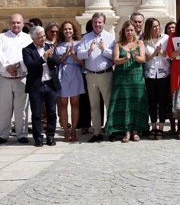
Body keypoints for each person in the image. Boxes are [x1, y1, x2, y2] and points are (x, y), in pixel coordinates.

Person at [105, 21, 148, 143]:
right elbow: (115, 60)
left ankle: (135, 131)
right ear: (123, 31)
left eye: (131, 30)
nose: (129, 32)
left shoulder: (140, 43)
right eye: (127, 30)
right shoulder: (118, 44)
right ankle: (126, 131)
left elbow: (143, 59)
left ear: (135, 31)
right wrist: (125, 58)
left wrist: (136, 57)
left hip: (136, 77)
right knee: (125, 104)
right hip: (122, 78)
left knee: (136, 103)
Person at [0, 14, 32, 145]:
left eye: (18, 23)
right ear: (10, 23)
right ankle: (3, 134)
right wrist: (7, 66)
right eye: (13, 23)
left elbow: (29, 55)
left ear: (22, 24)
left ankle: (21, 133)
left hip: (22, 77)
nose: (16, 25)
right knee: (4, 107)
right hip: (5, 76)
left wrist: (17, 66)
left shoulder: (27, 38)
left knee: (21, 108)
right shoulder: (2, 37)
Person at [77, 12, 115, 143]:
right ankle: (97, 132)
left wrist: (104, 49)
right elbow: (80, 54)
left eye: (100, 22)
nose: (97, 24)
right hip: (91, 75)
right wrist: (89, 51)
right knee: (94, 105)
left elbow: (114, 56)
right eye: (95, 22)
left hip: (106, 74)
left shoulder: (110, 37)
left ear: (104, 23)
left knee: (109, 104)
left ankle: (111, 131)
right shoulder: (86, 38)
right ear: (92, 23)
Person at [23, 26, 60, 147]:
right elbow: (31, 66)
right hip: (36, 85)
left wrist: (51, 57)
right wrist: (44, 57)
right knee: (37, 114)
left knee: (51, 112)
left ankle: (50, 136)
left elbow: (56, 62)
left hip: (50, 83)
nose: (43, 39)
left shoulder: (49, 46)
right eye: (40, 37)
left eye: (44, 36)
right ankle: (38, 137)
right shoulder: (27, 50)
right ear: (33, 38)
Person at [55, 21, 85, 142]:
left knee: (75, 103)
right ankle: (66, 131)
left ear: (73, 30)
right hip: (63, 74)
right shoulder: (58, 45)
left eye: (70, 29)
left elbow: (82, 63)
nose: (68, 31)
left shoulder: (79, 44)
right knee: (63, 104)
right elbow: (56, 62)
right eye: (65, 29)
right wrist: (65, 55)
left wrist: (73, 55)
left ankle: (74, 130)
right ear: (62, 31)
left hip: (75, 73)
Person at [143, 18, 170, 140]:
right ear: (149, 28)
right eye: (154, 26)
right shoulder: (144, 41)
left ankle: (161, 127)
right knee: (152, 102)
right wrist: (155, 53)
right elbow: (145, 59)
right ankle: (153, 126)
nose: (157, 28)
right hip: (150, 74)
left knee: (162, 102)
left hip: (163, 74)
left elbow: (170, 55)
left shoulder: (166, 38)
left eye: (158, 26)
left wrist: (162, 52)